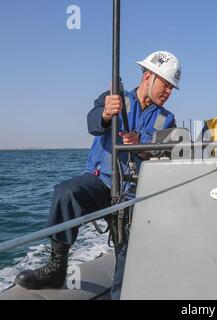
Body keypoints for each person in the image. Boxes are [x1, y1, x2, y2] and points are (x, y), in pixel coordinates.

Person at [15, 51, 182, 297]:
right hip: (101, 181)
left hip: (135, 192)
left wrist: (143, 147)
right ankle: (57, 266)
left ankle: (120, 294)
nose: (168, 92)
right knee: (66, 193)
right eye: (165, 85)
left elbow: (164, 154)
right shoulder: (113, 98)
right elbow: (93, 123)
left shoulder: (167, 118)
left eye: (171, 88)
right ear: (148, 77)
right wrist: (105, 114)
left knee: (128, 249)